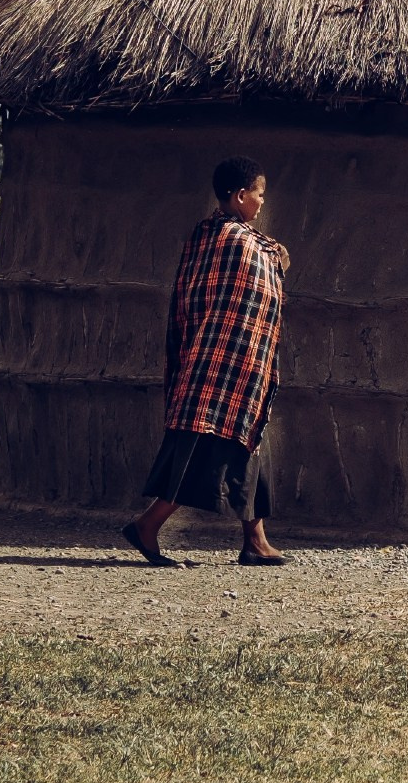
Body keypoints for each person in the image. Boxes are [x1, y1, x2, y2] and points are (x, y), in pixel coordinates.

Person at [122, 155, 290, 568]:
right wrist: (277, 258)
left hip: (224, 366)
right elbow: (258, 281)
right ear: (239, 195)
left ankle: (256, 541)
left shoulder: (207, 234)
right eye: (260, 194)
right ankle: (147, 525)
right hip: (220, 367)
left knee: (248, 444)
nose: (263, 202)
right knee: (199, 452)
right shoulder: (235, 242)